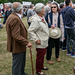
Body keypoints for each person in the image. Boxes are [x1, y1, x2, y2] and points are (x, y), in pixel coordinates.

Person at [6, 2, 32, 75]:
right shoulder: (14, 18)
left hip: (19, 45)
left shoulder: (13, 16)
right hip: (17, 45)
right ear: (20, 9)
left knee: (21, 62)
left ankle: (21, 73)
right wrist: (27, 42)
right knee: (17, 64)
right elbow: (16, 35)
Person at [28, 3, 49, 75]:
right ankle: (38, 71)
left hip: (44, 40)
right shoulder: (36, 20)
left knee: (42, 55)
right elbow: (31, 31)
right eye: (43, 8)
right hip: (40, 41)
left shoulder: (41, 17)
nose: (44, 10)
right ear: (39, 10)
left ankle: (41, 66)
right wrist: (36, 39)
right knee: (40, 56)